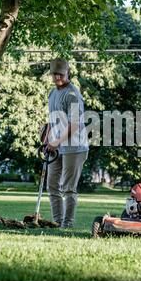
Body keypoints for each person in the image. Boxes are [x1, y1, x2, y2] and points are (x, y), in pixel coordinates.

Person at [45, 58, 89, 228]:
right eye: (54, 74)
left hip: (74, 147)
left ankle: (67, 223)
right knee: (52, 186)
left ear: (67, 72)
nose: (57, 78)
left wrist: (56, 141)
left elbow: (75, 124)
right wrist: (48, 138)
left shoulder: (72, 95)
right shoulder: (52, 93)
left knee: (68, 188)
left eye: (60, 74)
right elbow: (52, 119)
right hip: (55, 145)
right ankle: (57, 222)